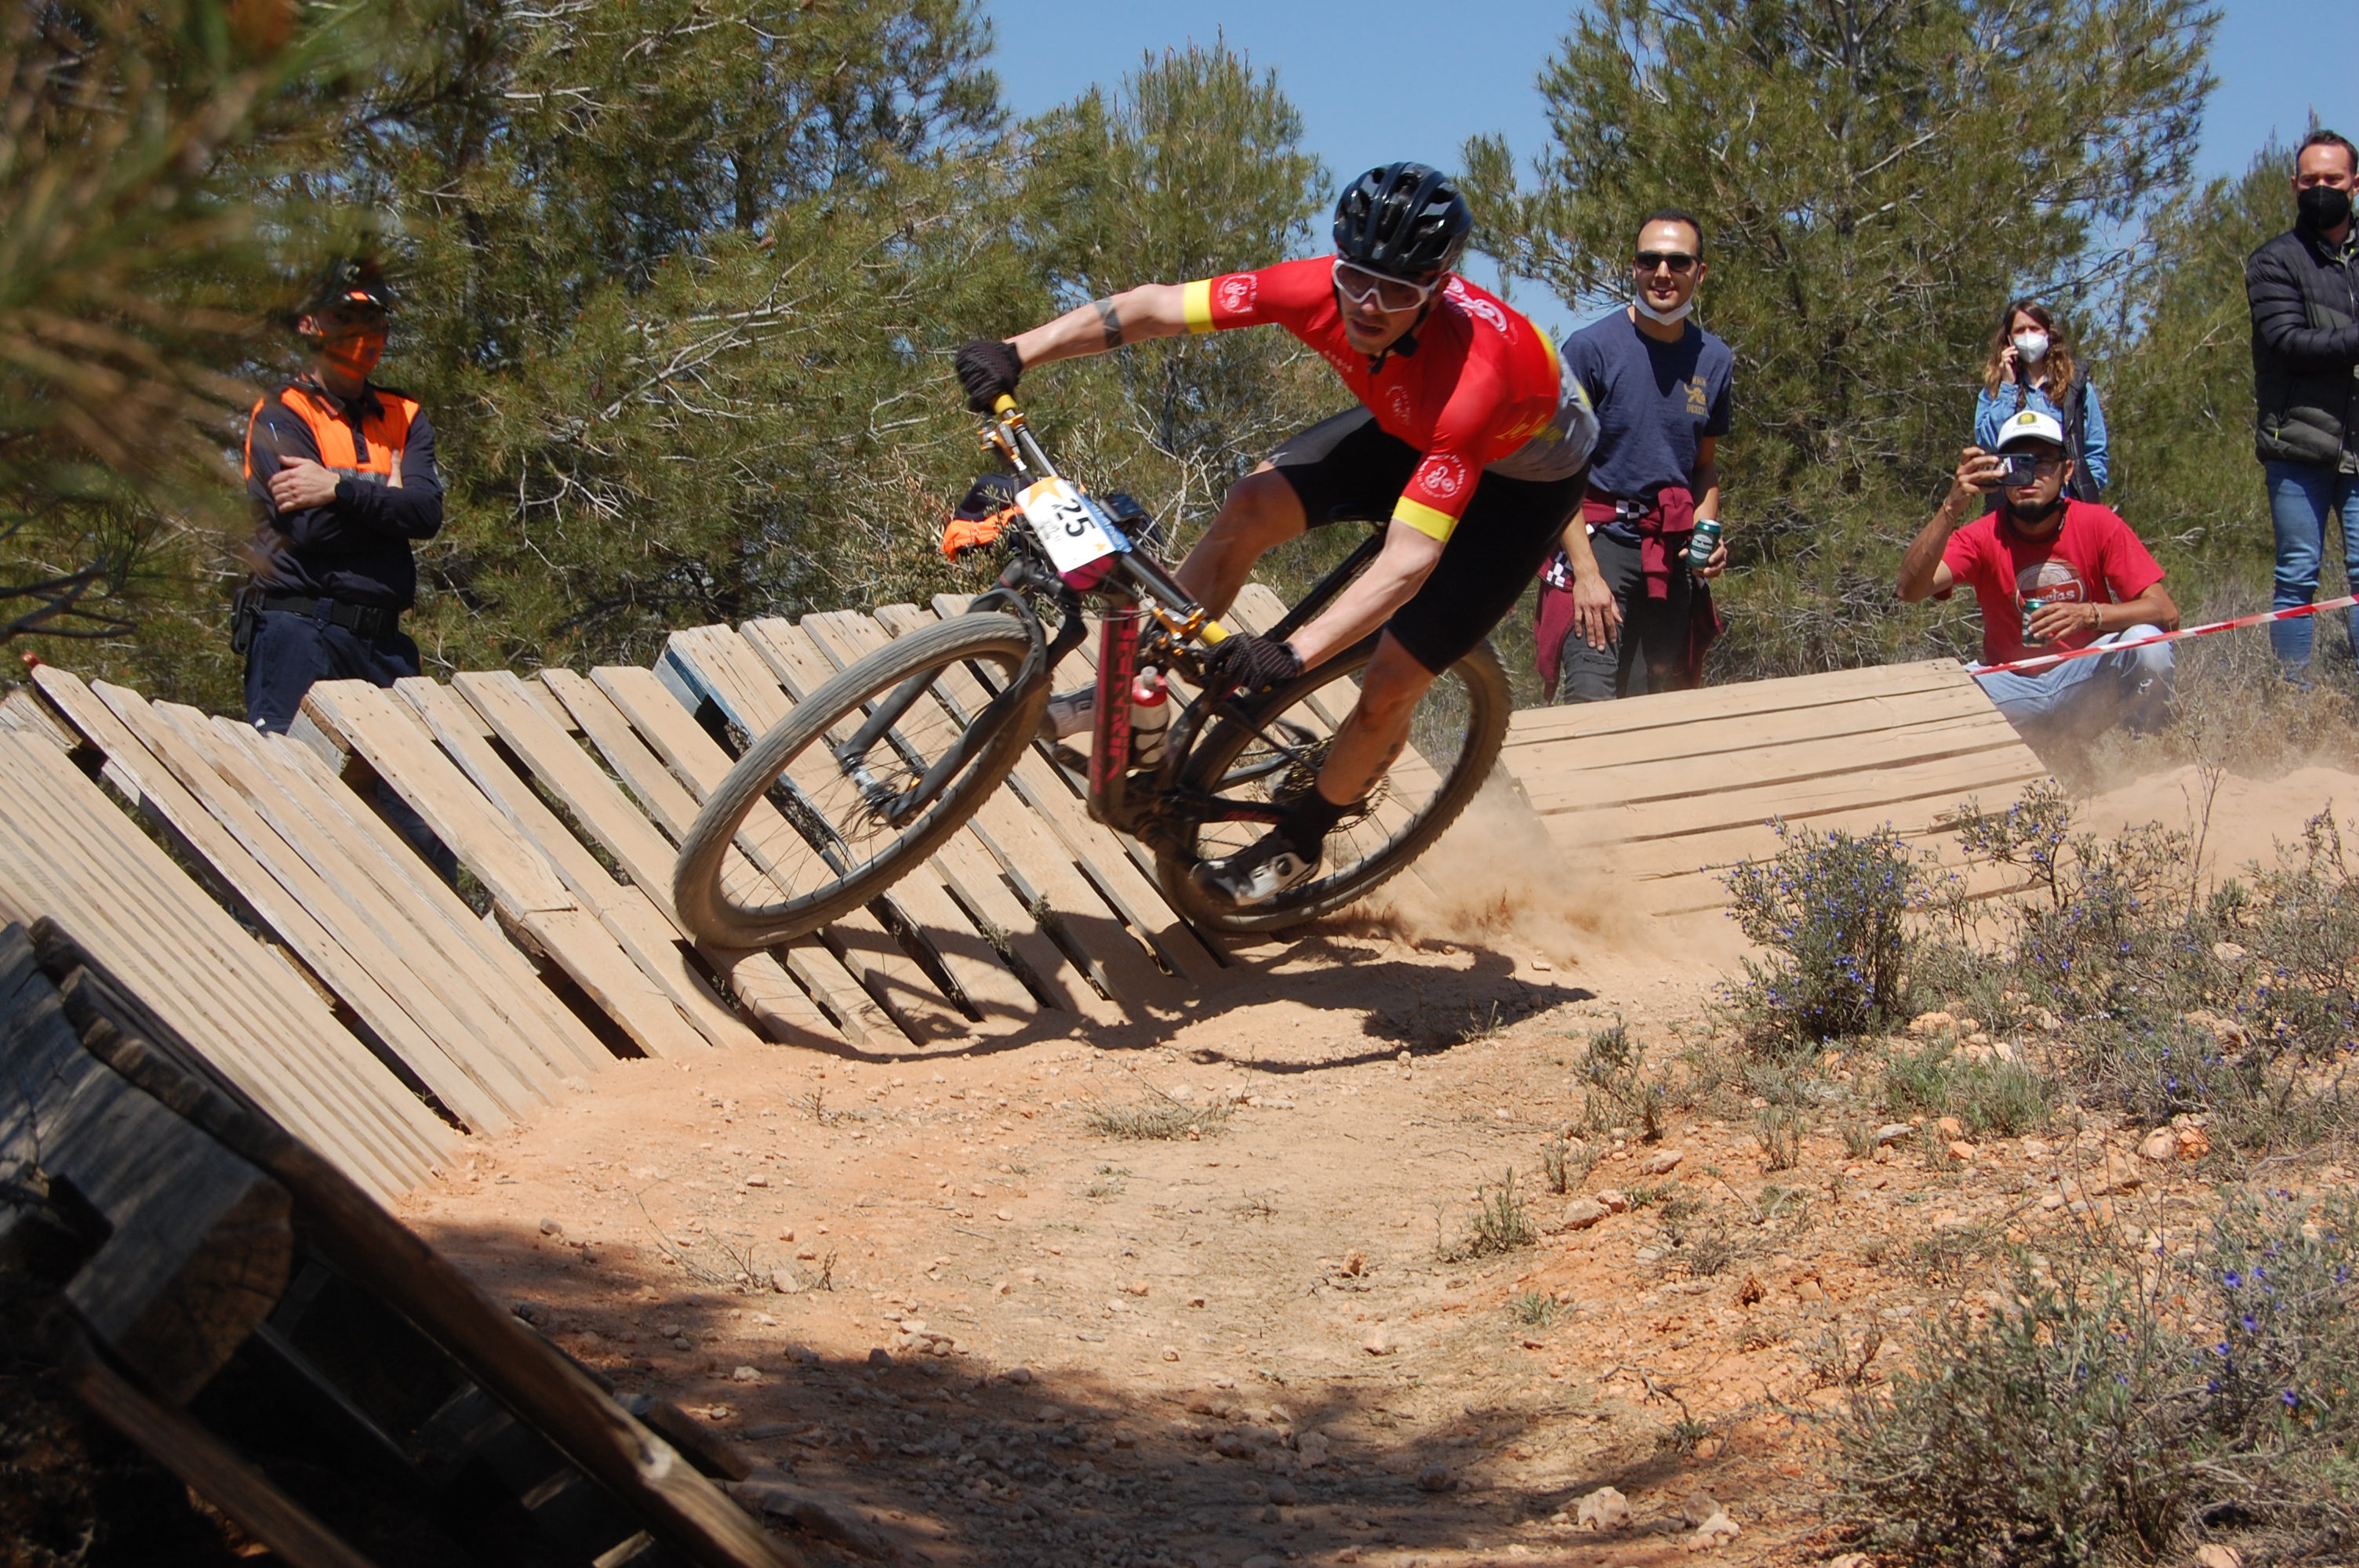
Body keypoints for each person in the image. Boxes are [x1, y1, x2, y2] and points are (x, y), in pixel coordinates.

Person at [953, 162, 1598, 908]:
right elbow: (1155, 308)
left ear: (1439, 286)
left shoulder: (1475, 379)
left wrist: (1292, 654)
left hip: (1518, 478)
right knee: (1252, 505)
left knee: (1392, 680)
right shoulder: (1312, 287)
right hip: (1413, 423)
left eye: (1397, 291)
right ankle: (1126, 694)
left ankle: (1302, 839)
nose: (1368, 305)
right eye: (1357, 278)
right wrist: (1017, 351)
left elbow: (1409, 562)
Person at [238, 257, 455, 877]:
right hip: (298, 633)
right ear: (309, 324)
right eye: (345, 316)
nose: (363, 333)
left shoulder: (404, 415)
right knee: (292, 815)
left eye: (375, 319)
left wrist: (338, 486)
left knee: (425, 822)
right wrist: (385, 497)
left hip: (383, 644)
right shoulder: (281, 414)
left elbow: (425, 512)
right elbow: (310, 529)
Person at [1534, 209, 1731, 703]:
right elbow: (1555, 470)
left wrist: (1706, 536)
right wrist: (1586, 574)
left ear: (1700, 273)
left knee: (1660, 710)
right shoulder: (1590, 349)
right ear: (1635, 267)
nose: (1662, 273)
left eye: (1678, 262)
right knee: (1591, 702)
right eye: (1650, 260)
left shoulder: (1714, 359)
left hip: (1669, 552)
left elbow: (1703, 466)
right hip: (1596, 542)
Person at [1896, 408, 2179, 747]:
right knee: (1939, 692)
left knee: (2148, 643)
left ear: (2067, 470)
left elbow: (2165, 612)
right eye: (2017, 464)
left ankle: (2148, 757)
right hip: (2012, 688)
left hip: (2085, 678)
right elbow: (1909, 590)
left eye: (2042, 462)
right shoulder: (1981, 536)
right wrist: (1952, 506)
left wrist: (2090, 614)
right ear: (2000, 473)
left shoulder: (2097, 522)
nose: (2030, 476)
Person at [2247, 128, 2359, 686]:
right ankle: (2294, 699)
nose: (2321, 189)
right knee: (2297, 575)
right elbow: (2289, 342)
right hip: (2296, 444)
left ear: (2355, 184)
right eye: (2311, 179)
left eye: (2333, 178)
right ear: (2294, 184)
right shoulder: (2273, 261)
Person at [1972, 299, 2107, 502]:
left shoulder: (2076, 387)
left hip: (2068, 502)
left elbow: (2095, 450)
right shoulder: (1994, 389)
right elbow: (1988, 442)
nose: (2028, 335)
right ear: (2009, 339)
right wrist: (2008, 387)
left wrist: (2081, 492)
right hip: (2016, 503)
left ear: (2048, 334)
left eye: (2034, 328)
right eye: (2020, 330)